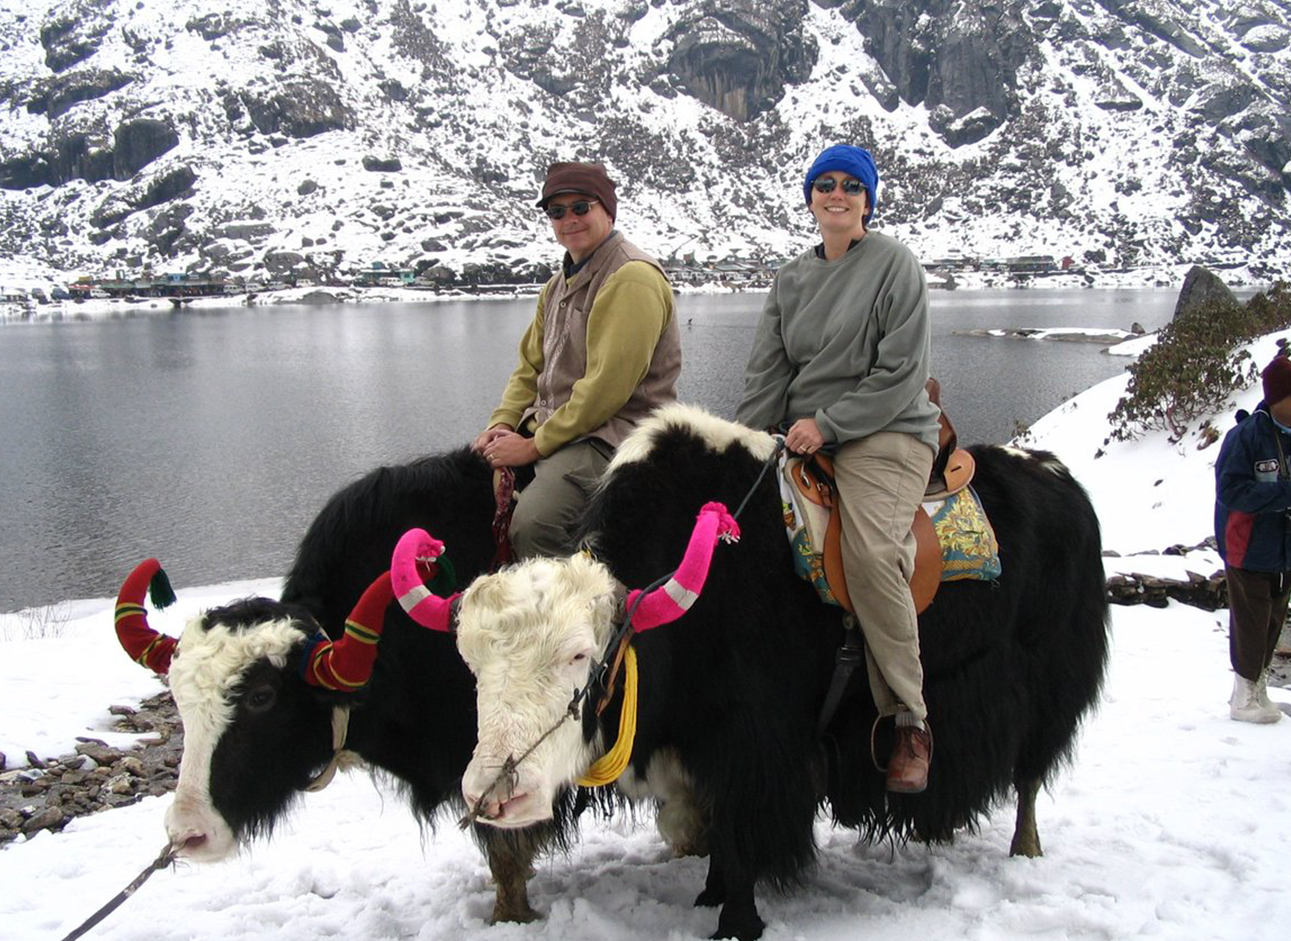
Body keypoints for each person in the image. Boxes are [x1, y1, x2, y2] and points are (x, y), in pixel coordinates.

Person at [736, 144, 942, 793]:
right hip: (801, 436)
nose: (836, 193)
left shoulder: (894, 266)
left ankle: (907, 717)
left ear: (866, 201)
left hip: (884, 431)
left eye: (851, 185)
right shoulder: (789, 280)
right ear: (809, 197)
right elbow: (768, 373)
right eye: (823, 183)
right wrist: (738, 444)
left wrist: (828, 423)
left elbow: (901, 370)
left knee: (871, 552)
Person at [473, 161, 680, 559]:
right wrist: (501, 423)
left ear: (607, 209)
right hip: (561, 429)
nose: (569, 219)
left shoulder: (631, 278)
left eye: (581, 207)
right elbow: (529, 369)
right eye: (557, 211)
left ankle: (580, 617)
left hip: (613, 434)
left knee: (536, 523)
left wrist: (533, 447)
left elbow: (605, 391)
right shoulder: (557, 285)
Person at [1214, 352, 1291, 723]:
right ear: (1278, 399)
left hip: (1285, 550)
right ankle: (1243, 696)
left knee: (1274, 618)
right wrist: (1283, 494)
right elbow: (1231, 492)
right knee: (1251, 620)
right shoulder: (1246, 437)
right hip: (1247, 547)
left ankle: (1257, 686)